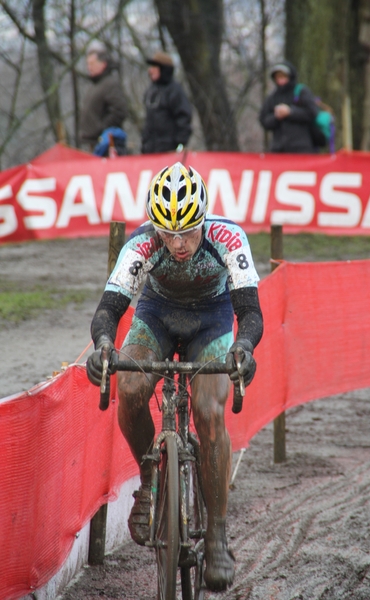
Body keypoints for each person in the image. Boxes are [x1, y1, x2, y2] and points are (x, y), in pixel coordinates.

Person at [86, 162, 264, 592]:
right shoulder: (142, 243)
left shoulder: (228, 237)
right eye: (169, 233)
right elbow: (108, 309)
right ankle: (149, 481)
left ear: (203, 220)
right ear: (155, 227)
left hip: (212, 320)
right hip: (158, 317)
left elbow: (250, 312)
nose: (179, 243)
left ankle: (218, 532)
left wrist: (243, 348)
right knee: (128, 386)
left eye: (187, 232)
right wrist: (104, 347)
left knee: (207, 409)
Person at [259, 59, 320, 153]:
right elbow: (264, 120)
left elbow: (312, 113)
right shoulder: (272, 97)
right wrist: (276, 116)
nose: (280, 80)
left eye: (283, 76)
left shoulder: (302, 92)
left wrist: (290, 112)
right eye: (278, 77)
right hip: (279, 149)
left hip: (302, 149)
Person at [79, 41, 128, 156]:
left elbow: (120, 110)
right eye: (87, 64)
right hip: (92, 143)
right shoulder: (95, 86)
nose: (89, 67)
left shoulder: (110, 84)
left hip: (105, 144)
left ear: (103, 64)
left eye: (92, 63)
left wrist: (102, 129)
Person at [141, 51, 192, 154]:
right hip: (150, 150)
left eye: (154, 67)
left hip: (169, 151)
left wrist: (179, 145)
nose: (150, 70)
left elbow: (184, 118)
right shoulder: (150, 91)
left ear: (163, 69)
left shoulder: (175, 90)